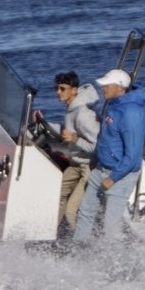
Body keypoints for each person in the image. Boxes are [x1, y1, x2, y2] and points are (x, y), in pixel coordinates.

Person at [71, 68, 145, 242]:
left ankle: (118, 264)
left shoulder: (131, 113)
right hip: (101, 169)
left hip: (120, 175)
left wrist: (113, 178)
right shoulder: (115, 106)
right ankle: (79, 251)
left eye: (106, 85)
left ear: (120, 88)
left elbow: (133, 155)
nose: (103, 88)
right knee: (85, 212)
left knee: (110, 226)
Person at [35, 71, 100, 232]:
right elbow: (67, 131)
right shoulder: (72, 108)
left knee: (72, 210)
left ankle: (87, 245)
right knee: (57, 195)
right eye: (57, 88)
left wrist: (76, 139)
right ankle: (50, 233)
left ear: (74, 90)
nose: (58, 92)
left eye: (62, 89)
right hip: (75, 163)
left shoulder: (83, 115)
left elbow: (97, 146)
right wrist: (42, 123)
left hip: (88, 167)